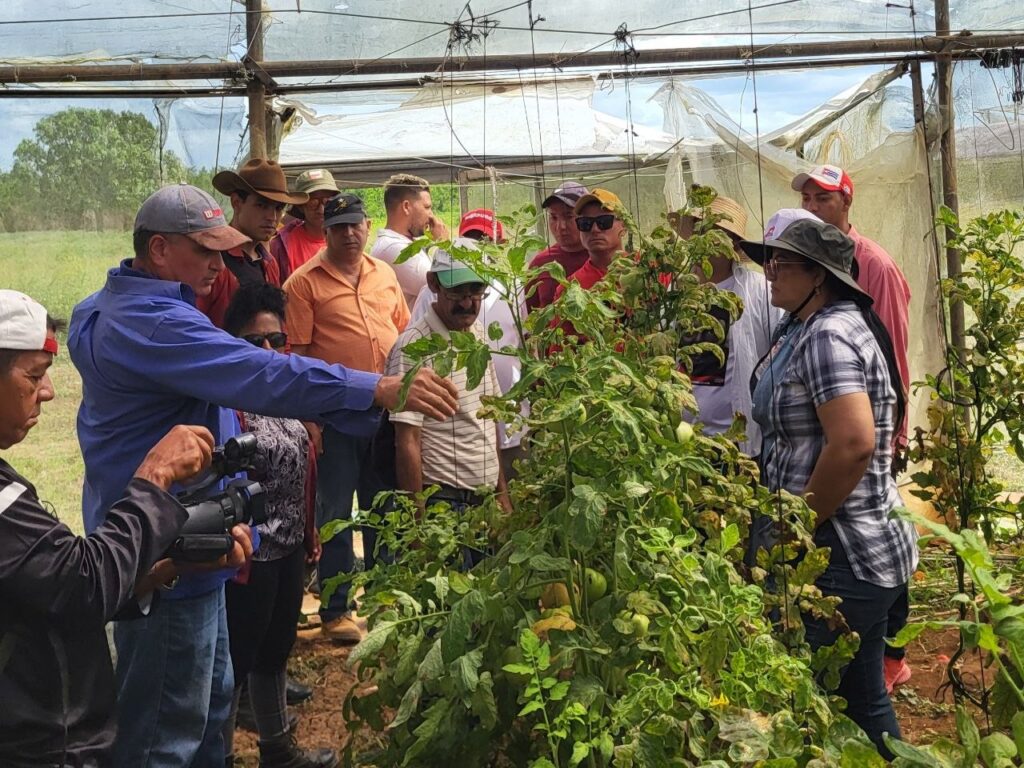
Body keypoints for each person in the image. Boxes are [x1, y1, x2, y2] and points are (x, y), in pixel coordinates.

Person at [68, 183, 458, 768]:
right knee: (166, 731)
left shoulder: (100, 306)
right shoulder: (155, 324)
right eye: (204, 249)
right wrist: (376, 387)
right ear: (159, 249)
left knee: (210, 707)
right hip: (169, 551)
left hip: (180, 540)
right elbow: (262, 373)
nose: (217, 263)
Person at [0, 289, 251, 767]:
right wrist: (155, 476)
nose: (48, 391)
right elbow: (81, 584)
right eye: (33, 375)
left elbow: (50, 590)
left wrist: (166, 569)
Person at [741, 217, 917, 757]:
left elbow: (853, 444)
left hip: (840, 554)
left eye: (782, 262)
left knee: (800, 697)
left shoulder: (828, 336)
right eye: (767, 260)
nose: (769, 271)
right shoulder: (804, 324)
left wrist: (795, 529)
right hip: (859, 549)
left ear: (819, 275)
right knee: (863, 700)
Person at [793, 164, 914, 692]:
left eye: (822, 198)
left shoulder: (873, 265)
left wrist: (894, 431)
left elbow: (891, 348)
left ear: (846, 202)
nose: (812, 206)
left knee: (874, 520)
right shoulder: (806, 283)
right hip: (846, 418)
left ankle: (893, 650)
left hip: (872, 423)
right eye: (806, 199)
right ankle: (879, 655)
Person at [284, 193, 410, 643]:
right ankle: (336, 609)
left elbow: (402, 332)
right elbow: (297, 359)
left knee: (383, 508)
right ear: (327, 232)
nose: (350, 234)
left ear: (368, 226)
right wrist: (309, 421)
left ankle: (383, 600)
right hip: (335, 418)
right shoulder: (303, 284)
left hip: (385, 414)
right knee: (336, 514)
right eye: (339, 228)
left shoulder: (384, 275)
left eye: (356, 225)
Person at [221, 283, 337, 768]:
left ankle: (278, 751)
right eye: (255, 341)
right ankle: (220, 755)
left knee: (274, 653)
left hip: (288, 548)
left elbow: (304, 469)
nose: (268, 349)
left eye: (276, 340)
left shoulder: (286, 395)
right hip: (250, 557)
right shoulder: (225, 402)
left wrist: (309, 531)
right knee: (236, 663)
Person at [385, 248, 512, 565]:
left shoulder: (476, 335)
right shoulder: (413, 347)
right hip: (444, 503)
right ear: (433, 284)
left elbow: (489, 419)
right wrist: (418, 526)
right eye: (457, 291)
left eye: (476, 290)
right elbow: (407, 441)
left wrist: (502, 494)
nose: (468, 303)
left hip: (484, 503)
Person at [673, 196, 784, 456]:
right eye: (700, 231)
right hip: (685, 438)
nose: (707, 240)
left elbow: (781, 354)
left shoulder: (760, 290)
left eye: (717, 233)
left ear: (733, 243)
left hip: (739, 441)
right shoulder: (676, 293)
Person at [198, 158, 308, 328]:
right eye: (261, 205)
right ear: (236, 202)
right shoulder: (215, 259)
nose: (272, 217)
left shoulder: (269, 264)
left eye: (278, 208)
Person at [369, 173, 450, 307]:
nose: (431, 215)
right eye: (427, 207)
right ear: (406, 207)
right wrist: (444, 244)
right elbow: (447, 286)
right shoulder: (392, 248)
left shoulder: (401, 243)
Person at [526, 181, 590, 311]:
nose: (561, 227)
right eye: (553, 217)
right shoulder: (540, 264)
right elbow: (529, 315)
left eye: (569, 216)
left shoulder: (601, 258)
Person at [271, 168, 341, 282]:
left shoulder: (346, 237)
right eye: (313, 203)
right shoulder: (281, 245)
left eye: (327, 202)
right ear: (301, 206)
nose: (321, 209)